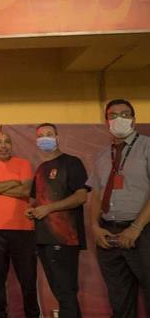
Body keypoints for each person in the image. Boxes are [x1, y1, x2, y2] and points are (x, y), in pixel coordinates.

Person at [87, 99, 150, 318]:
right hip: (109, 234)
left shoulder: (147, 147)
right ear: (106, 121)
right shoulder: (103, 155)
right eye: (113, 116)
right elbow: (96, 194)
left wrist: (136, 228)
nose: (119, 119)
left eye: (124, 114)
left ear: (134, 119)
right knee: (119, 300)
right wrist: (95, 227)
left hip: (143, 232)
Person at [26, 123, 89, 318]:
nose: (45, 138)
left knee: (65, 291)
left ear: (57, 137)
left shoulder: (71, 163)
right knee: (61, 292)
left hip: (65, 238)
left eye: (49, 134)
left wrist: (48, 208)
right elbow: (38, 200)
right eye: (41, 135)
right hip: (43, 237)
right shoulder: (41, 168)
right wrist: (33, 210)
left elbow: (81, 196)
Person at [0, 131, 39, 318]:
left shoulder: (23, 164)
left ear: (11, 145)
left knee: (28, 281)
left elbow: (25, 190)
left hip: (23, 230)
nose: (3, 146)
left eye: (7, 142)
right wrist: (13, 182)